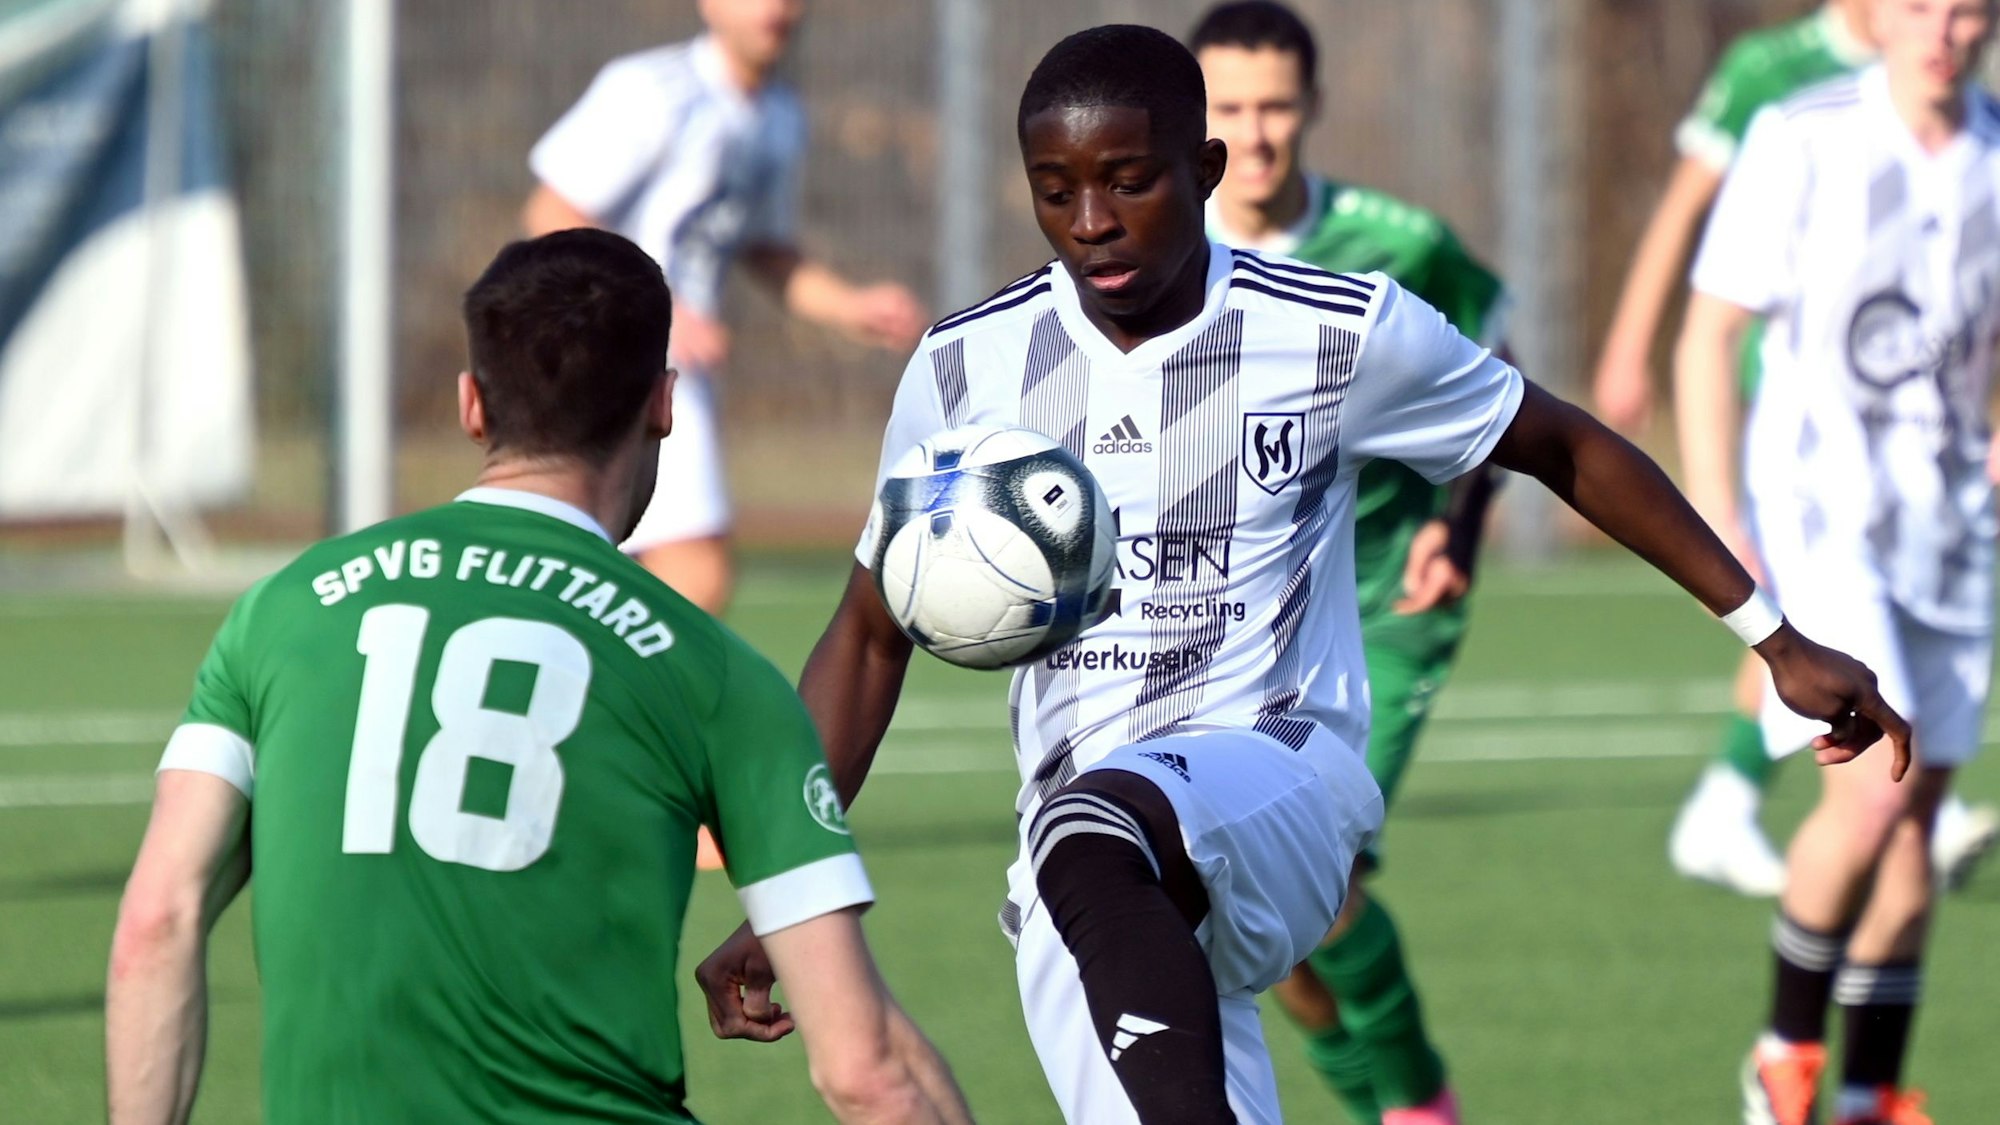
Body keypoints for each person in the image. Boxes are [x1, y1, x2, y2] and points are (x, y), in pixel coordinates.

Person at [694, 24, 1907, 1125]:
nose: (1091, 222)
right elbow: (866, 636)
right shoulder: (964, 367)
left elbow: (1563, 443)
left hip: (1278, 783)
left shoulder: (1335, 329)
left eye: (1129, 180)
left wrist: (1769, 633)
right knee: (1089, 850)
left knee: (1093, 823)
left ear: (1206, 172)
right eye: (1055, 192)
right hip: (1088, 894)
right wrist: (782, 898)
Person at [104, 230, 972, 1125]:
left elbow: (155, 926)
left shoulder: (281, 609)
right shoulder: (713, 672)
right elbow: (866, 1072)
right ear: (663, 403)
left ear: (472, 405)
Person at [1597, 0, 2000, 897]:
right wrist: (1631, 342)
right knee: (1815, 621)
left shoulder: (1974, 123)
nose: (1940, 25)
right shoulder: (1773, 75)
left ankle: (1754, 797)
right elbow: (1684, 209)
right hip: (1792, 418)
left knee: (1848, 656)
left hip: (1930, 447)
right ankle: (1766, 807)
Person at [1678, 1, 2000, 1121]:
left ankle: (1865, 1092)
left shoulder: (1997, 153)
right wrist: (1720, 520)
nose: (1940, 31)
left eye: (1965, 10)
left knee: (1912, 813)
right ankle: (1781, 1057)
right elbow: (1708, 333)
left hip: (1953, 532)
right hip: (1816, 520)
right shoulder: (1801, 132)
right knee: (1865, 798)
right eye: (1916, 5)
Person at [1189, 3, 1499, 1122]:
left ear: (1311, 107)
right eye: (1229, 108)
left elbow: (1495, 373)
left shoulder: (1396, 243)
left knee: (1320, 883)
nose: (1256, 135)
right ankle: (1386, 1105)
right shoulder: (1164, 256)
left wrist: (1450, 523)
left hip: (1380, 603)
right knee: (1251, 913)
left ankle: (1413, 1102)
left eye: (1275, 107)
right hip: (1233, 624)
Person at [524, 0, 929, 616]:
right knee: (694, 569)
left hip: (673, 370)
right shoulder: (651, 91)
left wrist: (851, 306)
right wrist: (655, 306)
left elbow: (766, 250)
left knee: (608, 570)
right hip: (609, 357)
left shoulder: (780, 116)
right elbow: (551, 214)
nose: (778, 8)